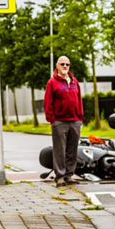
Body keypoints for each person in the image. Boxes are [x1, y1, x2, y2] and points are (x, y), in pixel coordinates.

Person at [44, 55, 84, 186]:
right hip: (60, 122)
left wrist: (81, 117)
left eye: (67, 64)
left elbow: (79, 99)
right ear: (57, 66)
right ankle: (60, 177)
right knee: (60, 150)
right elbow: (48, 102)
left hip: (75, 120)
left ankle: (69, 175)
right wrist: (52, 120)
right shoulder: (52, 83)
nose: (65, 66)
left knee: (73, 150)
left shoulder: (74, 81)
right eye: (62, 64)